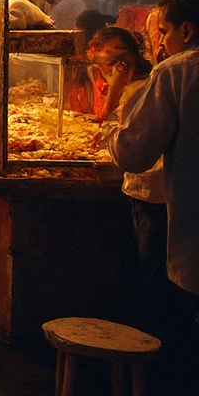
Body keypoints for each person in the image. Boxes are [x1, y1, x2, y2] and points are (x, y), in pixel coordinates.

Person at [107, 0, 199, 393]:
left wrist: (111, 131)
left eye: (163, 31)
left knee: (177, 329)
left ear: (186, 30)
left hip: (190, 227)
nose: (159, 40)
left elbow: (133, 152)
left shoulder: (178, 71)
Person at [86, 28, 163, 340]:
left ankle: (149, 343)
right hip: (150, 190)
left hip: (152, 192)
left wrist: (114, 91)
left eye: (112, 63)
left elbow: (128, 150)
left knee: (152, 275)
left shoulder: (140, 89)